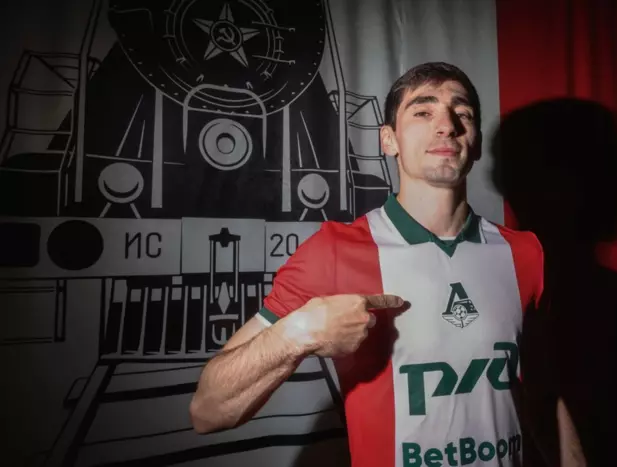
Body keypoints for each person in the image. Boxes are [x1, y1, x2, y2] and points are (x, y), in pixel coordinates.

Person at [190, 62, 582, 467]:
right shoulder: (334, 251)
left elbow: (543, 395)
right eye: (423, 111)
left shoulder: (526, 253)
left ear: (476, 142)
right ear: (389, 139)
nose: (446, 126)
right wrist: (300, 332)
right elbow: (208, 410)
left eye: (462, 113)